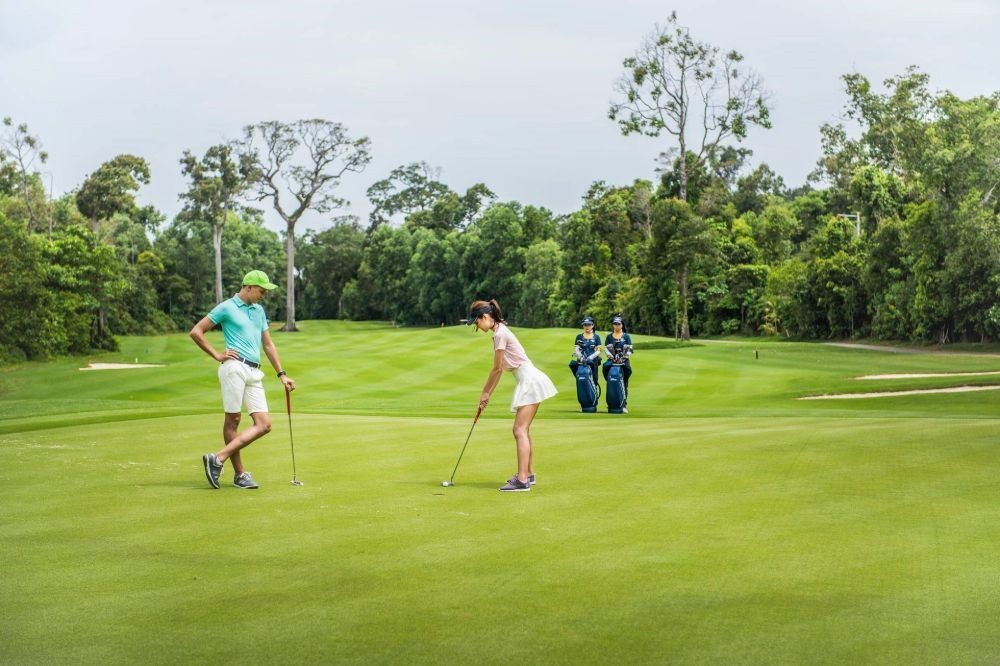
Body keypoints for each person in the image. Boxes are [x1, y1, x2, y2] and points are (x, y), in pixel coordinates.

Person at [190, 270, 296, 489]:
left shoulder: (259, 311)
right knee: (234, 420)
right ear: (248, 287)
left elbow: (268, 345)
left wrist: (282, 374)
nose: (263, 295)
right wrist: (217, 354)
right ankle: (240, 475)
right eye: (261, 291)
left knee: (264, 425)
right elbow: (197, 331)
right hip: (234, 368)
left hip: (254, 372)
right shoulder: (226, 307)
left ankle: (218, 458)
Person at [465, 299, 557, 492]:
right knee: (523, 429)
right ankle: (528, 474)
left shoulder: (500, 334)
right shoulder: (499, 332)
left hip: (530, 380)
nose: (476, 325)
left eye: (476, 321)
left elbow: (497, 369)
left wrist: (485, 393)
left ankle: (522, 480)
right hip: (528, 379)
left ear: (486, 317)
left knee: (519, 430)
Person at [602, 314, 634, 410]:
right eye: (615, 324)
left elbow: (630, 349)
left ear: (622, 325)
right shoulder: (609, 337)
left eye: (618, 324)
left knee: (624, 383)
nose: (616, 326)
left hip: (624, 363)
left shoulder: (626, 336)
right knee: (611, 383)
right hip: (612, 362)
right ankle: (612, 403)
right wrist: (612, 357)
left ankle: (623, 404)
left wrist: (624, 357)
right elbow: (607, 349)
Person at [568, 316, 602, 388]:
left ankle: (594, 396)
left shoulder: (596, 337)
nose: (587, 326)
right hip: (581, 360)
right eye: (585, 325)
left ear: (592, 325)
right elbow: (576, 349)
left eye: (589, 325)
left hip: (593, 361)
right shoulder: (579, 337)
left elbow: (598, 351)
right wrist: (580, 356)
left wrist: (591, 357)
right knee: (581, 378)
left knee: (593, 380)